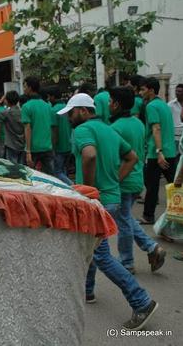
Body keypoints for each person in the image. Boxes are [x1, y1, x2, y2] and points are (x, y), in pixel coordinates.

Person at [58, 93, 158, 331]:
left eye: (71, 113)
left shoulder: (82, 130)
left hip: (96, 201)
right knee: (90, 247)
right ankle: (88, 291)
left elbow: (90, 155)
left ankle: (141, 301)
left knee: (101, 254)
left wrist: (90, 191)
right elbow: (132, 157)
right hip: (111, 198)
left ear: (82, 111)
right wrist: (114, 180)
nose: (69, 119)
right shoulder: (109, 130)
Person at [109, 87, 166, 273]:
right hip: (136, 177)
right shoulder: (138, 123)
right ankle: (152, 248)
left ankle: (127, 261)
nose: (108, 104)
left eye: (110, 101)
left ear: (117, 104)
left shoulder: (115, 128)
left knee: (123, 221)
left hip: (123, 178)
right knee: (125, 217)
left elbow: (116, 157)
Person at [140, 77, 177, 225]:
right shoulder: (164, 105)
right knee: (174, 186)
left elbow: (156, 128)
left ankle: (148, 216)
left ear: (151, 90)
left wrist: (159, 151)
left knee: (152, 186)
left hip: (158, 153)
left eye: (143, 89)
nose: (141, 92)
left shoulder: (151, 106)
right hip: (170, 151)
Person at [21, 76, 55, 174]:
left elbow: (27, 129)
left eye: (25, 86)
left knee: (30, 178)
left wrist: (28, 151)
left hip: (33, 149)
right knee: (51, 179)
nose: (24, 89)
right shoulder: (48, 106)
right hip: (48, 147)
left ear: (30, 88)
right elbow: (50, 127)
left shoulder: (26, 106)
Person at [0, 91, 25, 164]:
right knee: (21, 166)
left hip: (11, 144)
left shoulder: (6, 113)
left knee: (12, 166)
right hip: (22, 144)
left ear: (7, 100)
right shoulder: (22, 111)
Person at [48, 85, 72, 185]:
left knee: (57, 172)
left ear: (53, 97)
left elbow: (54, 131)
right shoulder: (67, 108)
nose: (49, 99)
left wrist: (53, 147)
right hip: (69, 144)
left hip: (59, 146)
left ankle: (73, 186)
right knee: (64, 170)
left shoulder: (54, 110)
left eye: (49, 97)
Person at [168, 84, 183, 155]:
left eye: (179, 91)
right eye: (176, 91)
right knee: (175, 157)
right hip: (175, 137)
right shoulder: (170, 105)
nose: (177, 93)